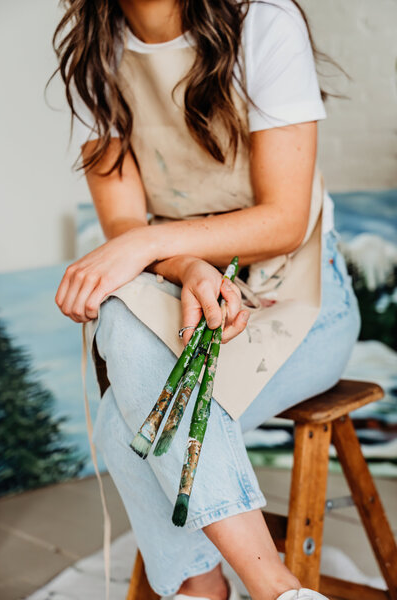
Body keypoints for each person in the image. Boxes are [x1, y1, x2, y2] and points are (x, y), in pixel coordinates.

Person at [51, 1, 361, 599]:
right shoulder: (95, 52)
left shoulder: (264, 24)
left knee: (125, 431)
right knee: (121, 314)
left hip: (298, 298)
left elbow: (284, 221)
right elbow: (122, 224)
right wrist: (186, 263)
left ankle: (202, 587)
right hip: (178, 284)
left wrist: (149, 242)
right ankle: (275, 587)